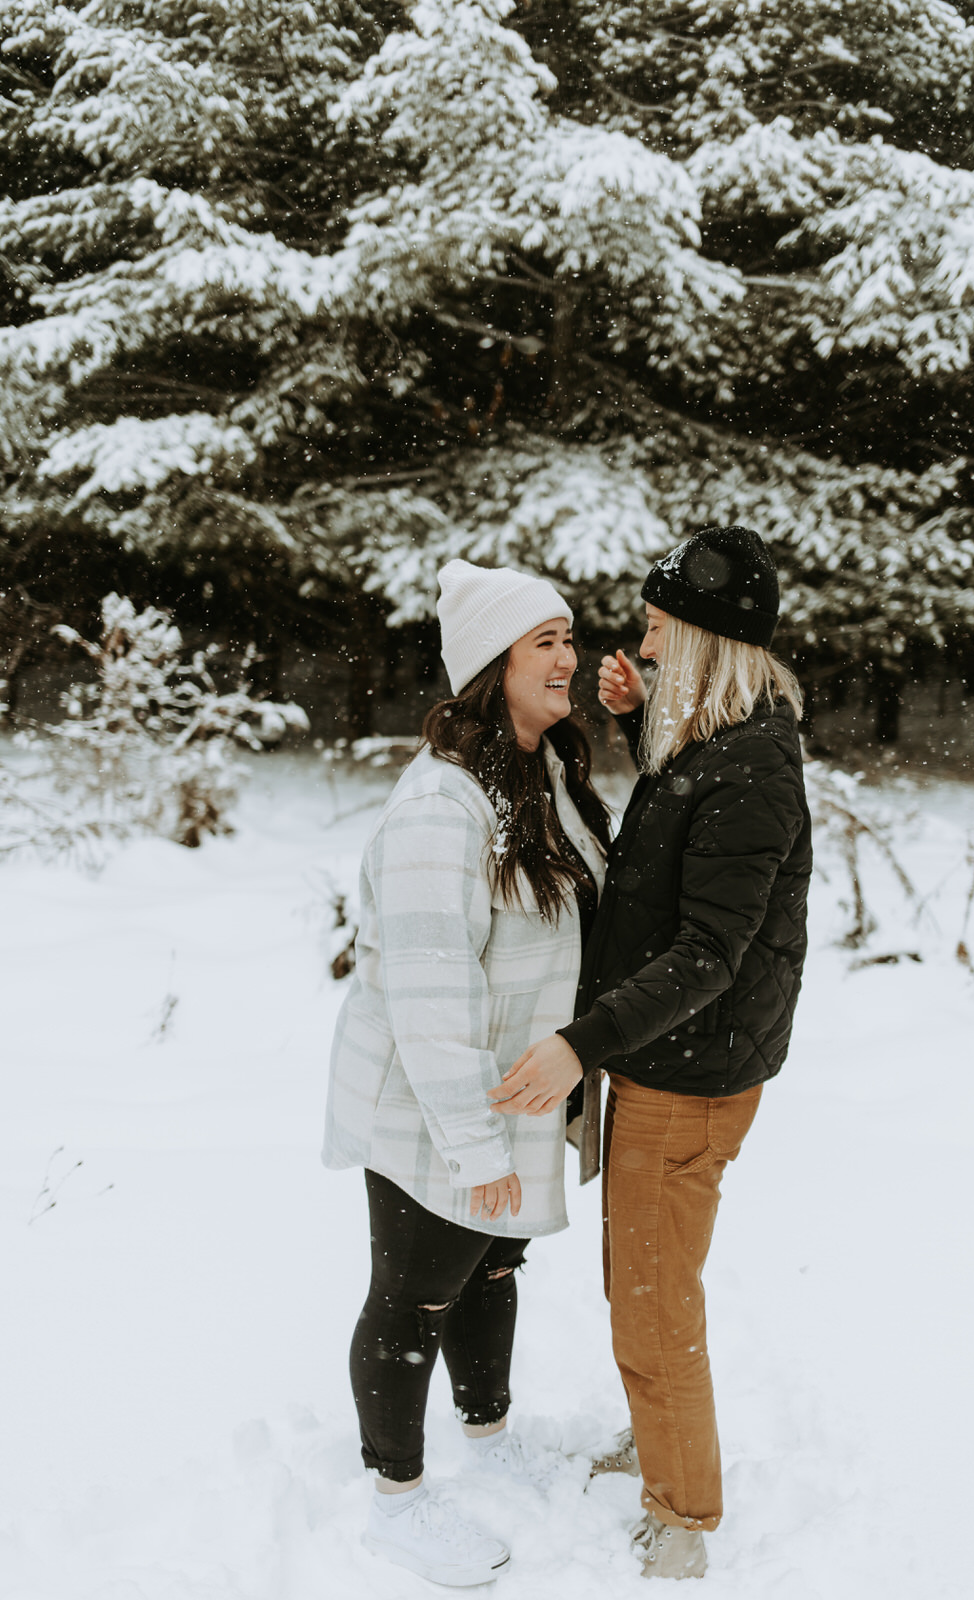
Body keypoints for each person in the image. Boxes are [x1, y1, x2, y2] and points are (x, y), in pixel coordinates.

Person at [489, 525, 812, 1580]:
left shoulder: (751, 766)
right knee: (642, 1278)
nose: (643, 641)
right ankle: (659, 1435)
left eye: (659, 626)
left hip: (688, 1070)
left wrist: (580, 1045)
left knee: (653, 1294)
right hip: (670, 1059)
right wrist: (635, 729)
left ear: (709, 640)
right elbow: (680, 842)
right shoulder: (722, 740)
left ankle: (682, 1516)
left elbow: (709, 950)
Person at [323, 559, 610, 1588]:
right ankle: (394, 1499)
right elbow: (431, 998)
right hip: (433, 1103)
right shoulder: (441, 807)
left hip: (509, 1092)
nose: (568, 658)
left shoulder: (541, 779)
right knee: (411, 1296)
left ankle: (488, 1439)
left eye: (569, 637)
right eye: (545, 642)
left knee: (492, 1264)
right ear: (493, 664)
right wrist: (475, 1145)